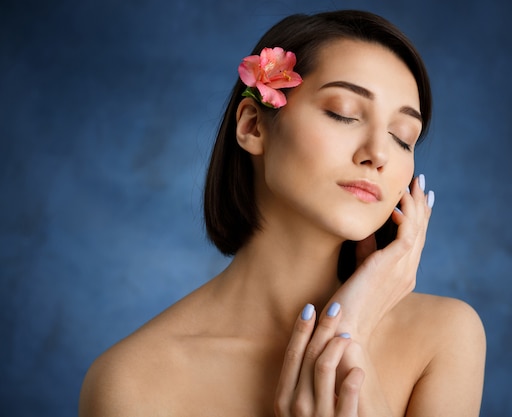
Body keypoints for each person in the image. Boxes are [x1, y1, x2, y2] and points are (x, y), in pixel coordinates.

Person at [79, 10, 486, 417]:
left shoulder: (445, 337)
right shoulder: (132, 383)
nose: (378, 154)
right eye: (344, 112)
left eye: (403, 138)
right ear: (253, 126)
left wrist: (351, 332)